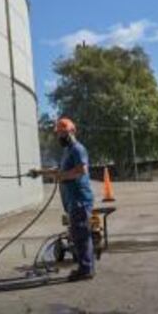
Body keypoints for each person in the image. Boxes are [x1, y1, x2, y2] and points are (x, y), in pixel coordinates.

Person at [30, 117, 95, 281]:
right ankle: (84, 267)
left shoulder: (78, 149)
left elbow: (81, 170)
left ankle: (86, 270)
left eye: (63, 133)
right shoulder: (67, 151)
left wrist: (62, 176)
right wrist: (40, 172)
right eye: (58, 133)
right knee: (77, 234)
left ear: (72, 132)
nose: (60, 136)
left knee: (81, 235)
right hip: (72, 200)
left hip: (80, 199)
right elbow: (59, 169)